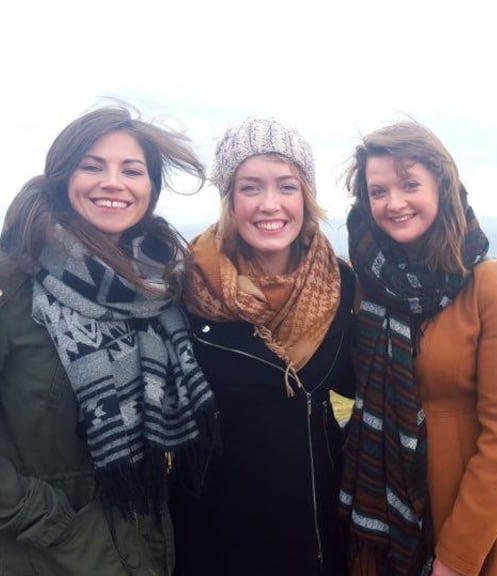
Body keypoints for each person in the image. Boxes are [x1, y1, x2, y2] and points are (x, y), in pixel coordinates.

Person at [0, 105, 219, 575]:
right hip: (52, 558)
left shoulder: (158, 290)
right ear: (62, 176)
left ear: (150, 188)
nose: (113, 183)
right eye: (92, 166)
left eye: (131, 170)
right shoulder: (1, 287)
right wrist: (57, 524)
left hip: (152, 549)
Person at [338, 121, 497, 576]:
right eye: (378, 191)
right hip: (383, 523)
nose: (394, 203)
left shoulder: (491, 286)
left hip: (474, 528)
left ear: (442, 187)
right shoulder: (366, 284)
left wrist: (455, 559)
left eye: (410, 185)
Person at [170, 117, 356, 576]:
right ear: (229, 199)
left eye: (286, 186)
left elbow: (368, 384)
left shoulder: (341, 284)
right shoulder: (185, 285)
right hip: (212, 536)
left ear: (305, 196)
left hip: (315, 532)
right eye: (250, 187)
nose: (269, 204)